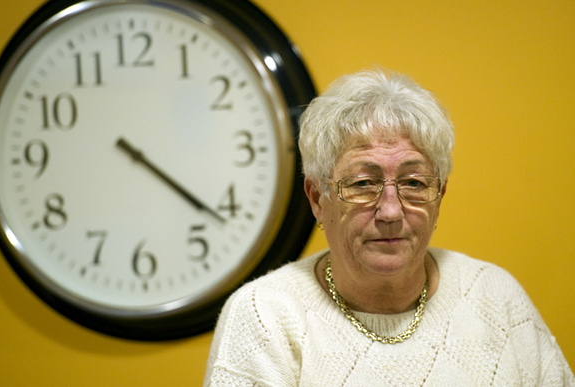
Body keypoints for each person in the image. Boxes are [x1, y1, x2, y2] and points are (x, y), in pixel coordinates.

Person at [204, 68, 574, 386]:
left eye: (414, 183)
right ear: (317, 198)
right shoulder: (264, 316)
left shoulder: (497, 297)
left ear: (439, 195)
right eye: (363, 183)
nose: (391, 212)